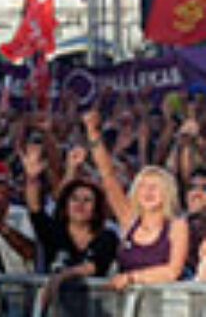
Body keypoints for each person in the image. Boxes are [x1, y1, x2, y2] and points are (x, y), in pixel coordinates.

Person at [83, 110, 189, 289]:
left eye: (155, 187)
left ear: (167, 193)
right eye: (143, 187)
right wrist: (93, 134)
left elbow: (172, 271)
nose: (148, 192)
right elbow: (108, 176)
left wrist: (132, 277)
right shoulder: (129, 220)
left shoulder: (177, 225)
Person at [22, 143, 117, 309]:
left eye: (87, 200)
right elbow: (34, 208)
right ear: (65, 206)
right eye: (74, 199)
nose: (80, 204)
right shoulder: (54, 232)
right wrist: (32, 178)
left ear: (96, 210)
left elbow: (92, 267)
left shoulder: (107, 236)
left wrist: (60, 277)